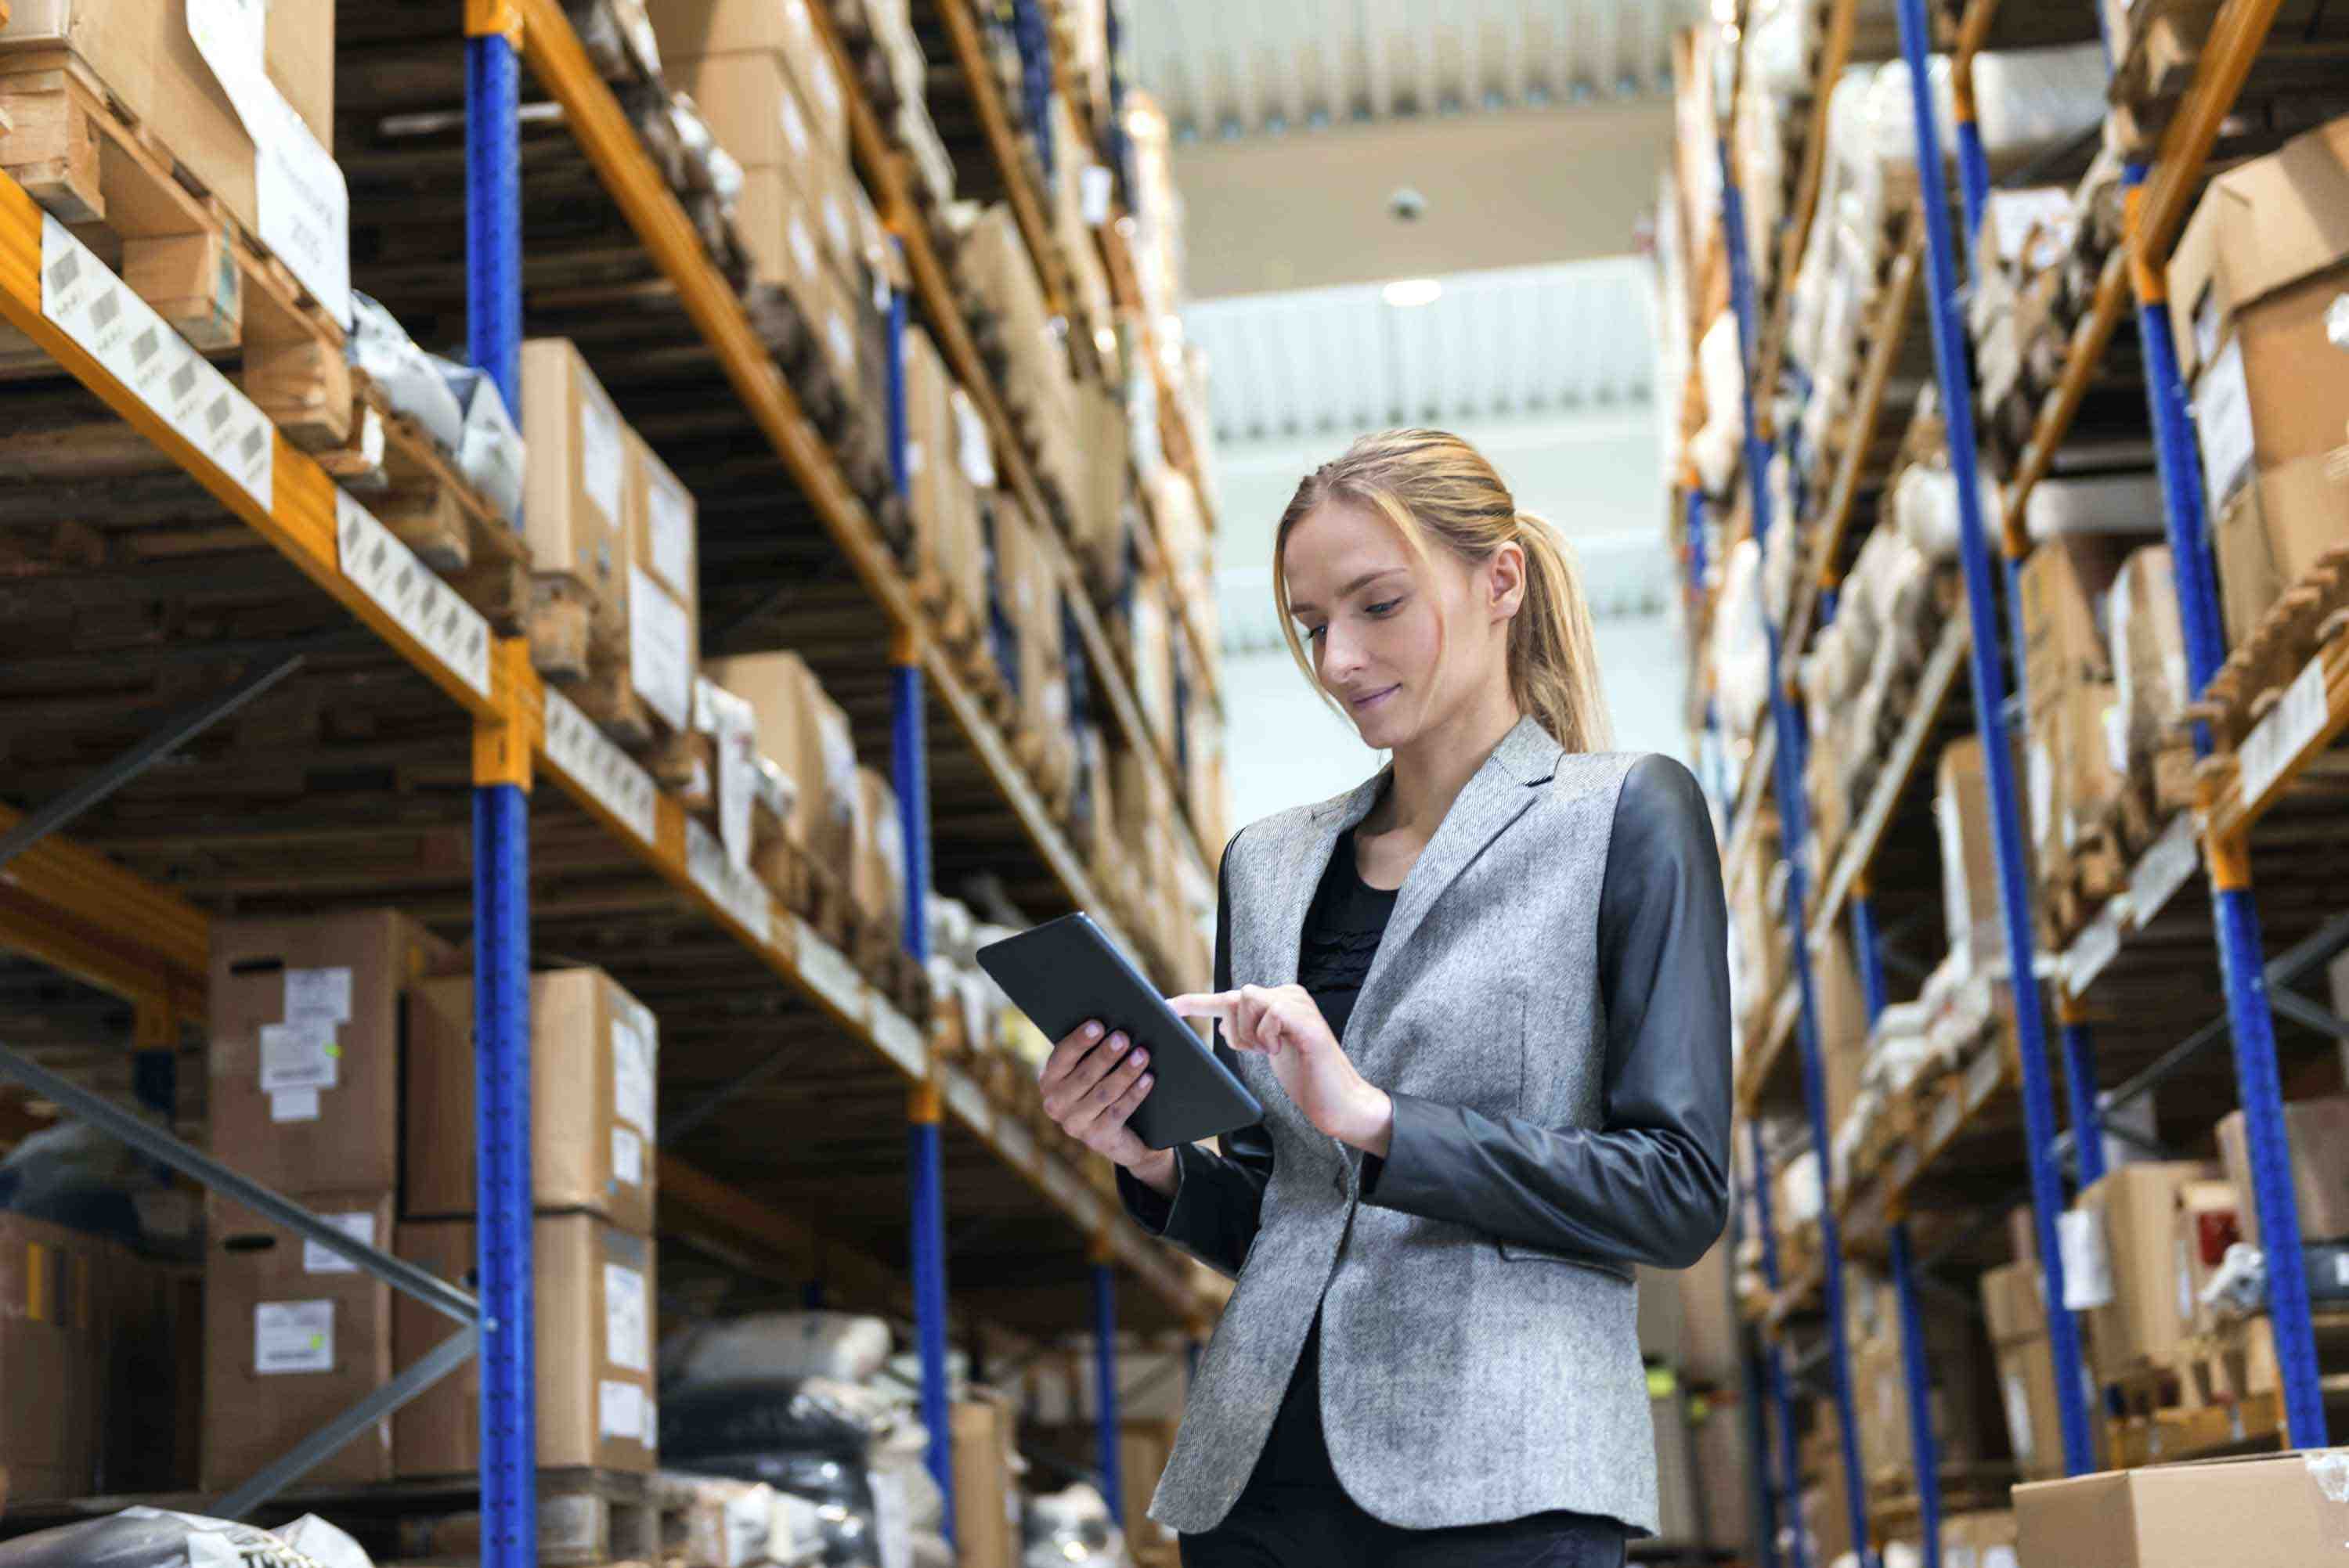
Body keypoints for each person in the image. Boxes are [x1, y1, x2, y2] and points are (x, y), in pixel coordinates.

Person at [1037, 429, 1732, 1566]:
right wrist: (1156, 1160)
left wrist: (1378, 1120)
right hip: (1257, 1483)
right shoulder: (1266, 863)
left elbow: (1676, 1191)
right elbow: (1285, 1212)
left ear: (1499, 578)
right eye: (1313, 626)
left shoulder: (1623, 819)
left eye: (1378, 606)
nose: (1340, 660)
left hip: (1502, 1484)